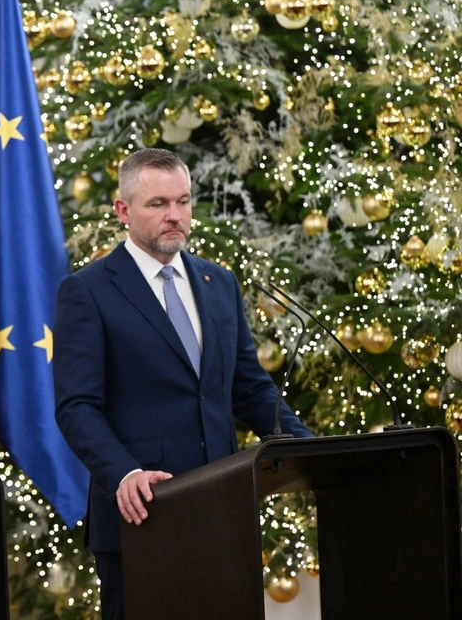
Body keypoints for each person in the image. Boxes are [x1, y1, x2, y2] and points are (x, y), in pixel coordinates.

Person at [52, 148, 311, 620]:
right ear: (123, 210)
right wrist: (124, 474)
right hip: (143, 515)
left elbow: (249, 387)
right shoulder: (88, 291)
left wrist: (307, 447)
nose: (175, 215)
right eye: (158, 204)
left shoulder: (219, 282)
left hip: (224, 513)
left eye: (184, 201)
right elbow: (76, 406)